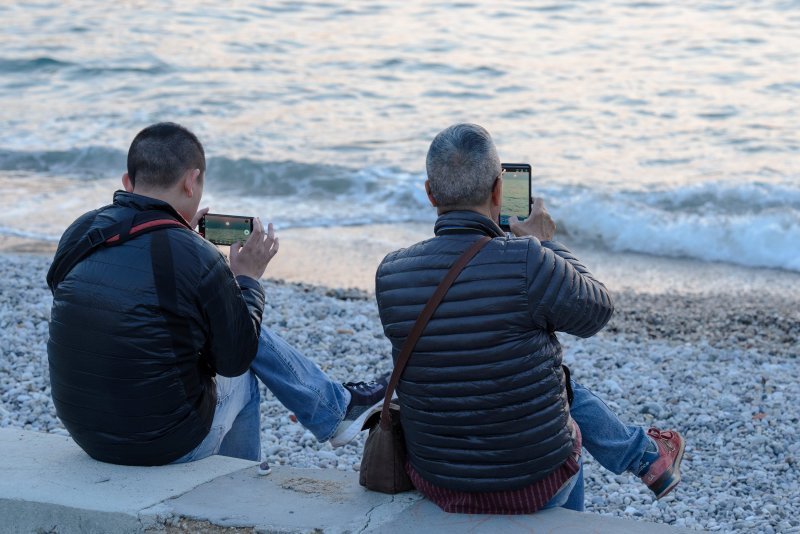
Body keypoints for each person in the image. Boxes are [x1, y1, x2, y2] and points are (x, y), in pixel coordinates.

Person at [374, 123, 685, 513]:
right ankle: (642, 460)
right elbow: (598, 311)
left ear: (430, 193)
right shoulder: (528, 259)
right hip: (535, 483)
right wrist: (546, 243)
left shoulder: (390, 273)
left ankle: (645, 457)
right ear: (499, 191)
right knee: (556, 382)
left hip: (440, 481)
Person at [46, 122, 386, 467]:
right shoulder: (193, 255)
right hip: (161, 444)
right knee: (241, 367)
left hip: (87, 432)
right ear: (191, 182)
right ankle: (235, 485)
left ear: (127, 182)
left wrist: (186, 253)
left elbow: (81, 296)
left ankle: (336, 407)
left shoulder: (82, 230)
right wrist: (247, 280)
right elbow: (236, 358)